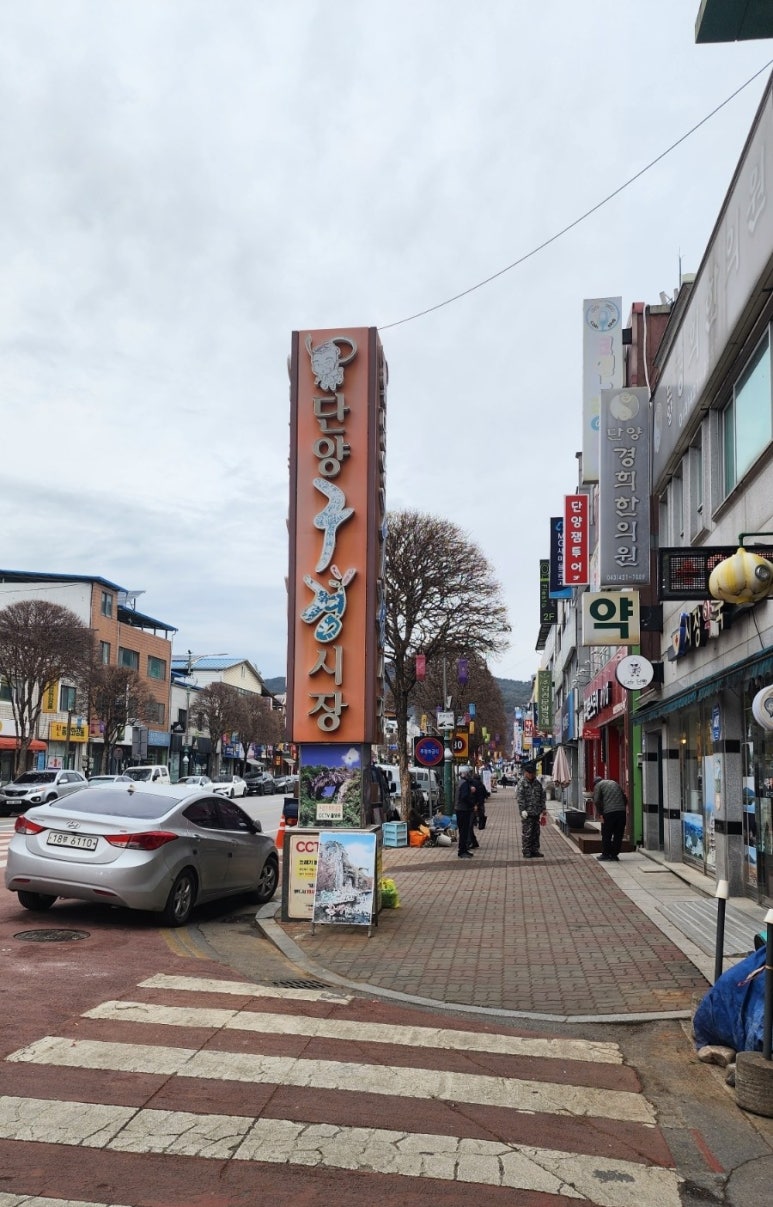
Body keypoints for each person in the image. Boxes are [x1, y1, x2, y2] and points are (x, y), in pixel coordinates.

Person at [592, 775, 627, 861]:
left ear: (595, 783)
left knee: (606, 834)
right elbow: (624, 798)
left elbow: (596, 800)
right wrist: (621, 807)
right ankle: (614, 855)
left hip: (609, 813)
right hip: (621, 812)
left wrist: (600, 813)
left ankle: (606, 854)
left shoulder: (598, 785)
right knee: (618, 834)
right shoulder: (614, 783)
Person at [516, 761, 546, 858]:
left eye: (533, 773)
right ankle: (526, 851)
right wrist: (522, 810)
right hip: (527, 813)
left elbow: (542, 796)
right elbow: (520, 798)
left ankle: (535, 850)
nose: (532, 774)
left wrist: (543, 809)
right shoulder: (522, 783)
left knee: (536, 833)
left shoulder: (537, 783)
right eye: (530, 773)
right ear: (526, 773)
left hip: (536, 812)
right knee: (527, 833)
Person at [455, 766, 476, 858]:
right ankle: (462, 850)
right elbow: (464, 797)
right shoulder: (464, 784)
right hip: (463, 810)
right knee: (464, 831)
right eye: (469, 773)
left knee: (463, 831)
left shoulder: (460, 782)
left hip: (460, 809)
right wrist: (472, 804)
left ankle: (463, 849)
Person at [469, 768, 490, 847]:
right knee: (481, 813)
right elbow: (485, 793)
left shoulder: (474, 785)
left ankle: (476, 823)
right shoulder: (481, 784)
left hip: (475, 803)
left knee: (474, 816)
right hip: (480, 802)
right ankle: (481, 824)